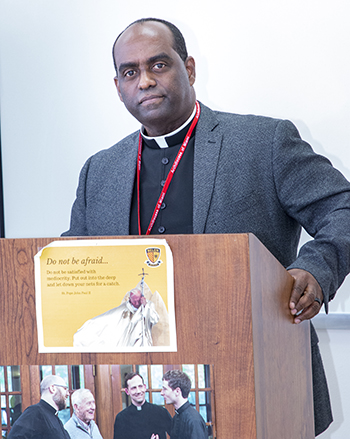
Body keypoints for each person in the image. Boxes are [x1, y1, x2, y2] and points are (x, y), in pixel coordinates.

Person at [62, 17, 350, 435]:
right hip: (149, 386)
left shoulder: (263, 142)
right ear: (118, 86)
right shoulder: (99, 171)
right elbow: (73, 262)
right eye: (130, 72)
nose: (144, 81)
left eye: (158, 65)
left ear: (189, 69)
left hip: (257, 376)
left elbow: (342, 206)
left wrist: (317, 268)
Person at [73, 284, 159, 349]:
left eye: (138, 301)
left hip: (143, 337)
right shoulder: (124, 307)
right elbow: (111, 316)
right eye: (134, 301)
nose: (136, 304)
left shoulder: (148, 305)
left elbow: (154, 319)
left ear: (141, 298)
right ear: (130, 299)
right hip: (128, 339)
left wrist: (145, 307)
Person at [8, 374, 70, 439]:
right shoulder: (34, 412)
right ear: (52, 388)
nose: (68, 393)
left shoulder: (54, 416)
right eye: (65, 389)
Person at [113, 372, 171, 439]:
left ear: (144, 387)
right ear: (127, 391)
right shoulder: (121, 418)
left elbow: (176, 436)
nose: (138, 391)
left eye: (140, 386)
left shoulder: (161, 412)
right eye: (133, 388)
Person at [161, 370, 207, 439]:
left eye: (165, 389)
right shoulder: (176, 417)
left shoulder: (193, 420)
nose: (161, 393)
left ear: (177, 391)